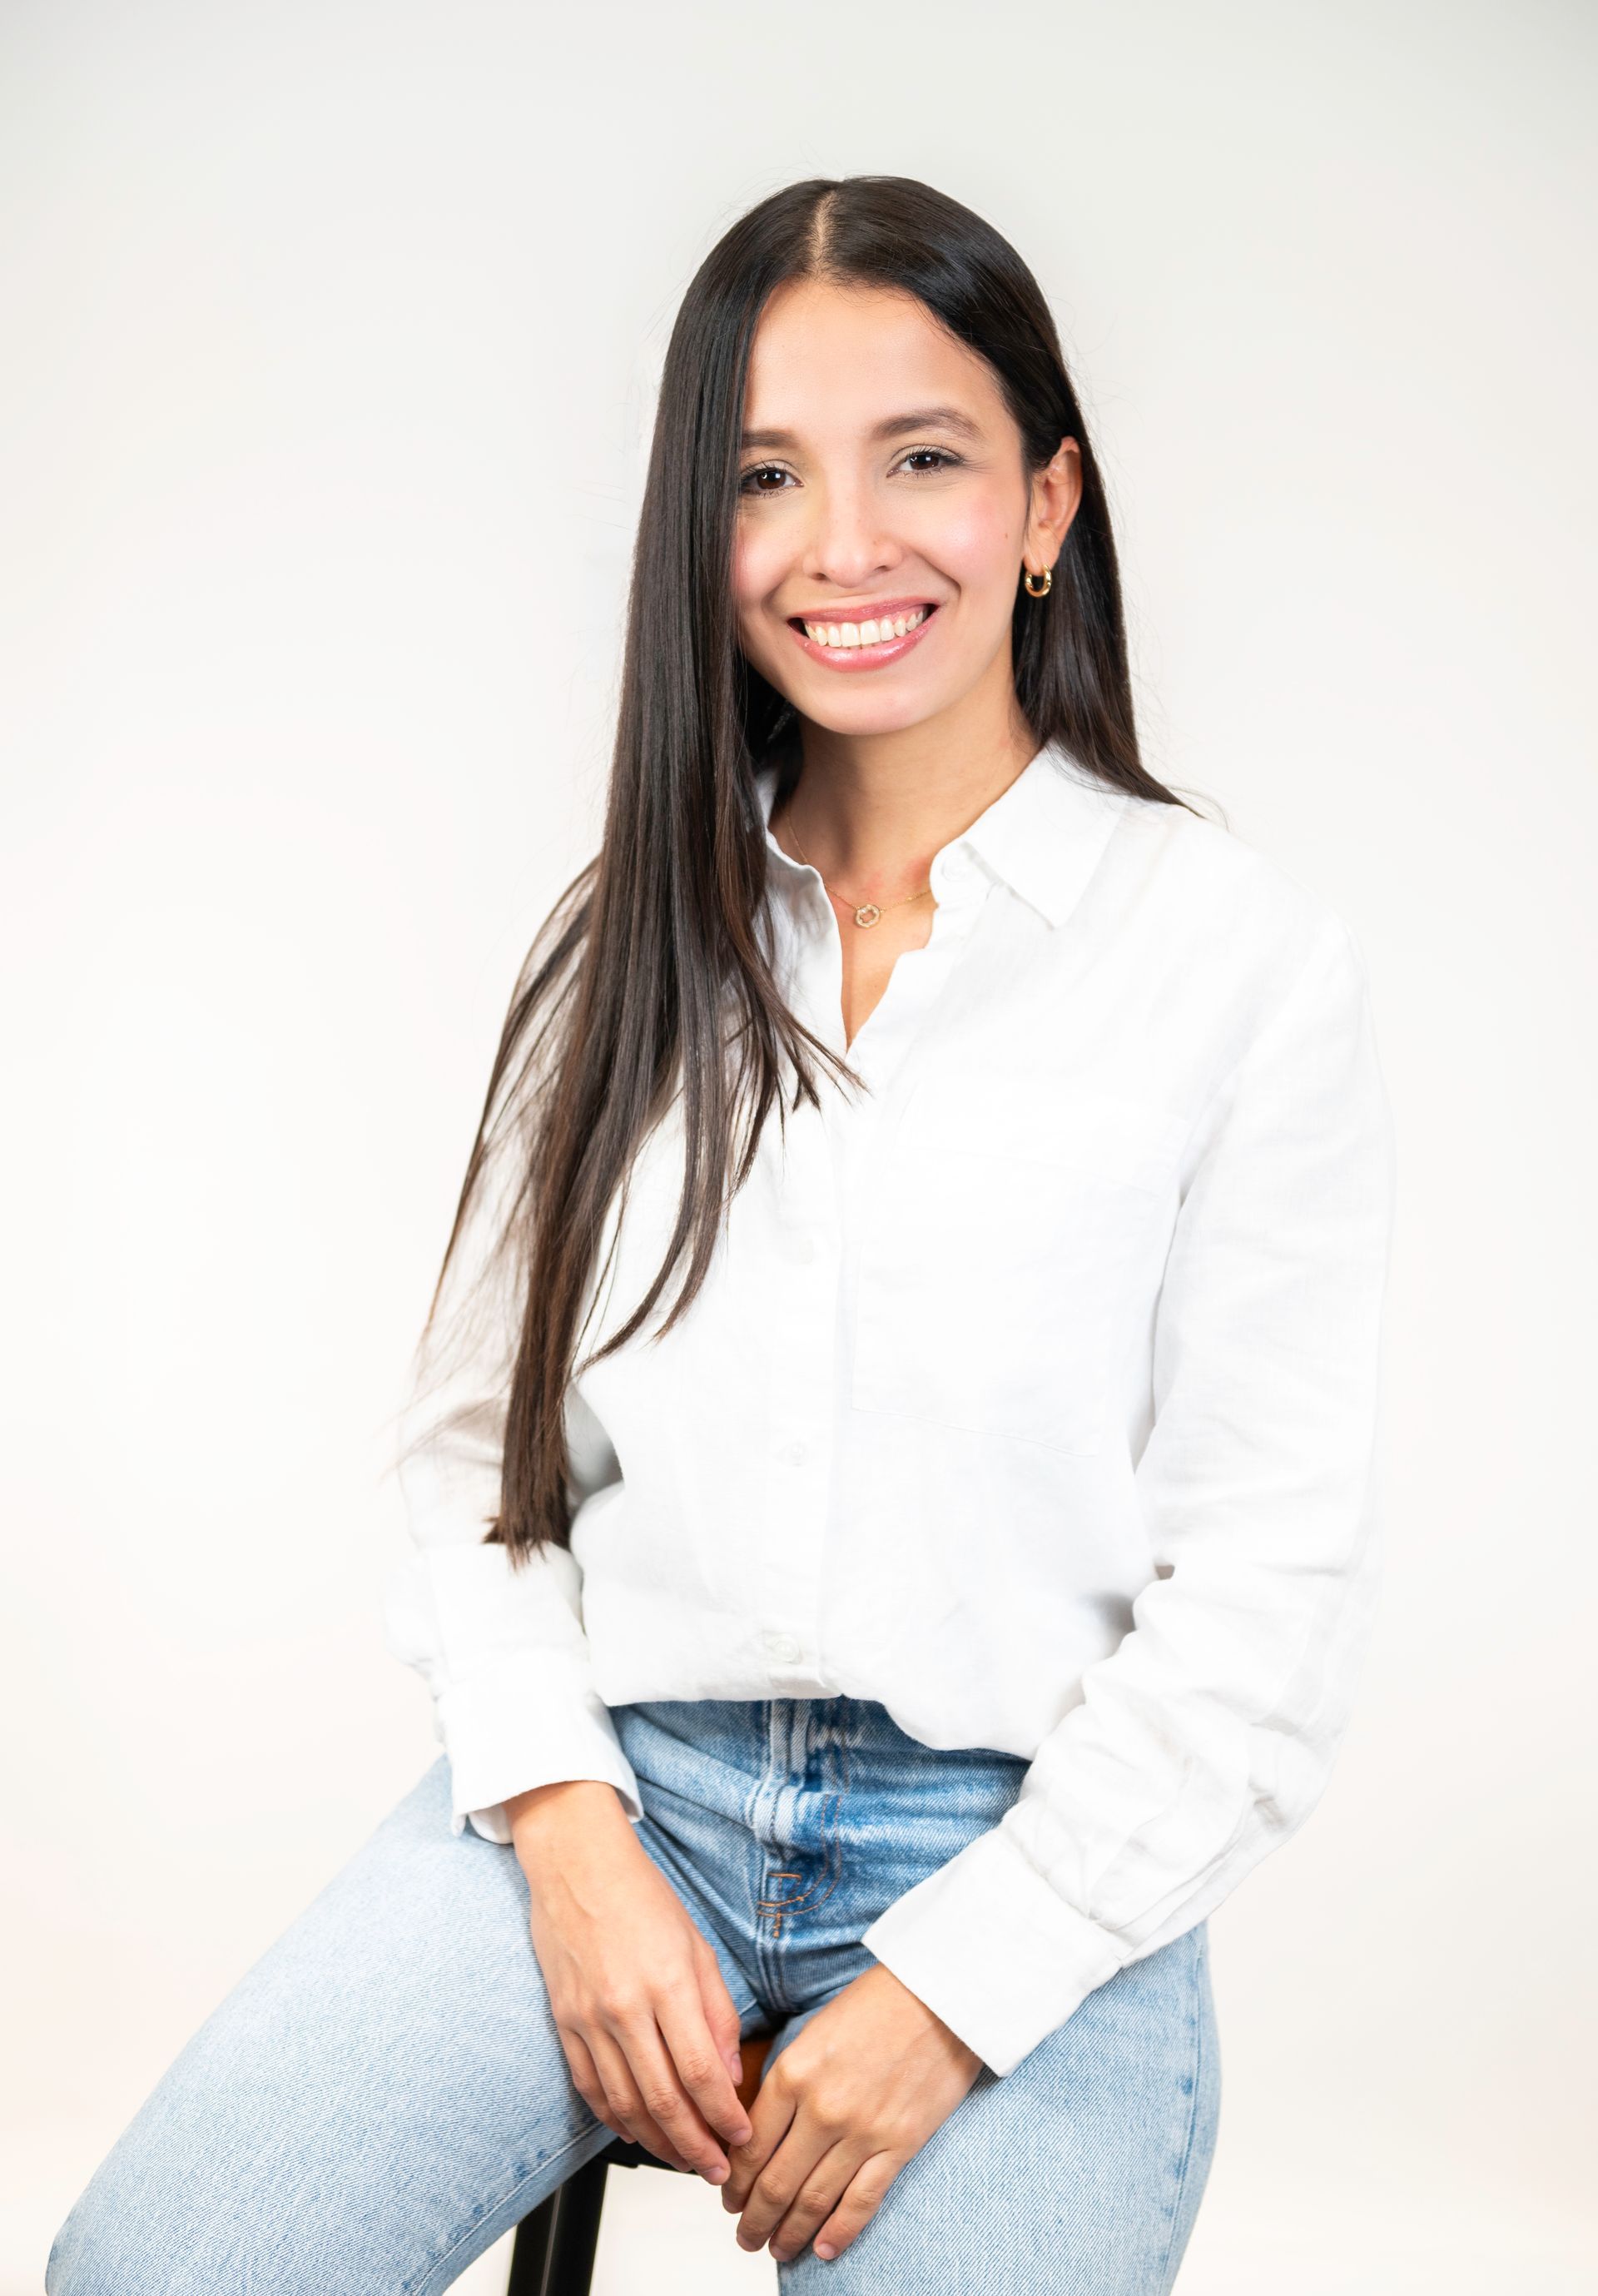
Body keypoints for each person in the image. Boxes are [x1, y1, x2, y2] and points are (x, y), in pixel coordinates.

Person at [46, 174, 1395, 2295]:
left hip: (1031, 1841)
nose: (844, 543)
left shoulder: (1230, 962)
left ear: (1049, 504)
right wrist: (569, 1836)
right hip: (628, 1787)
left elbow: (1266, 1598)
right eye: (767, 475)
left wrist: (960, 1987)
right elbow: (468, 1457)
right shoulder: (631, 944)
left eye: (922, 459)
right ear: (707, 529)